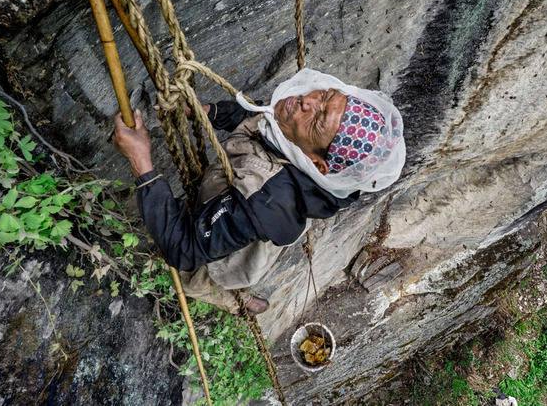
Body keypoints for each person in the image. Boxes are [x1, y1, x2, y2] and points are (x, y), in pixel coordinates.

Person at [112, 69, 405, 315]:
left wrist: (141, 161)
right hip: (242, 214)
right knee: (228, 247)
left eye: (318, 119)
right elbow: (259, 117)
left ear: (316, 163)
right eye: (325, 96)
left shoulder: (267, 202)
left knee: (201, 278)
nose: (306, 101)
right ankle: (243, 293)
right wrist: (207, 113)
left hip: (243, 228)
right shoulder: (294, 127)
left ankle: (239, 302)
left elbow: (183, 248)